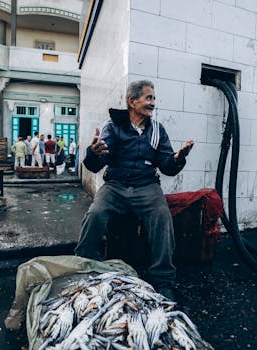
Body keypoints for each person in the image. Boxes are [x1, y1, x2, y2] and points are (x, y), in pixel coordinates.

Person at [74, 80, 194, 301]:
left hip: (146, 186)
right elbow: (94, 165)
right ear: (132, 101)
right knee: (95, 214)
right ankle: (83, 267)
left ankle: (163, 280)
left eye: (154, 98)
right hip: (115, 186)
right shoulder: (113, 127)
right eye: (149, 98)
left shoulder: (158, 130)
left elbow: (166, 167)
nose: (153, 103)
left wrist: (177, 159)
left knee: (162, 217)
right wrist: (95, 153)